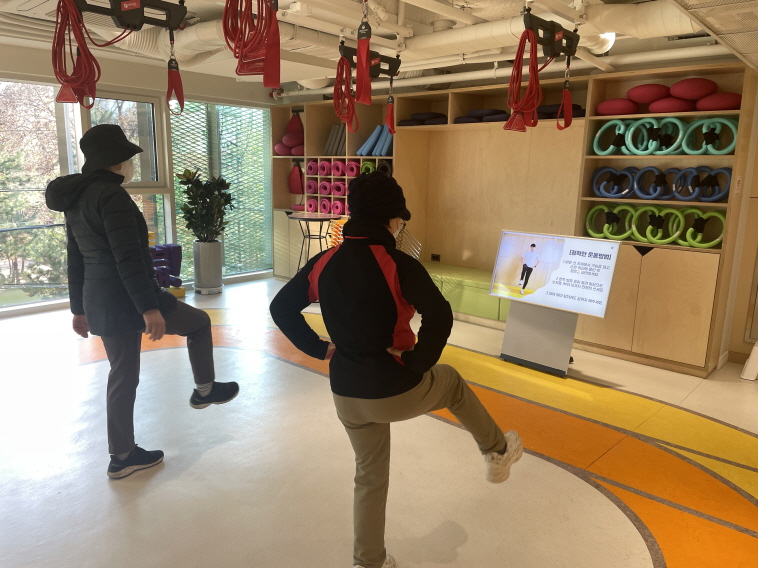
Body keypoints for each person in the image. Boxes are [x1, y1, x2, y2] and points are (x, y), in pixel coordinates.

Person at [270, 172, 523, 568]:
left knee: (369, 477)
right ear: (391, 219)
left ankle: (368, 561)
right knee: (452, 382)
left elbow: (281, 308)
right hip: (394, 387)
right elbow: (439, 315)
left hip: (346, 394)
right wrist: (418, 361)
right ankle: (497, 451)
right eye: (401, 218)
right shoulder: (398, 263)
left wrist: (320, 349)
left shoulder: (324, 261)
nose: (402, 225)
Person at [46, 124, 239, 479]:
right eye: (128, 158)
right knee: (198, 324)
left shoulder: (77, 199)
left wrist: (79, 309)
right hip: (129, 298)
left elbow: (76, 258)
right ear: (116, 161)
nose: (131, 165)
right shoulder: (111, 197)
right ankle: (204, 390)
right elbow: (128, 257)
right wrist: (149, 308)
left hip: (101, 300)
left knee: (122, 374)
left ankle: (122, 454)